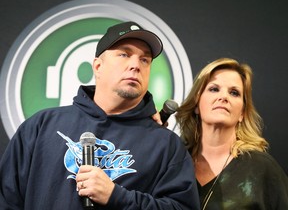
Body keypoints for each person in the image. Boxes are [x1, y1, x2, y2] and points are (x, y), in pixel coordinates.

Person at [0, 21, 200, 210]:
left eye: (145, 59)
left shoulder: (166, 145)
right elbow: (6, 199)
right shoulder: (41, 126)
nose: (136, 65)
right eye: (124, 54)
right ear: (97, 66)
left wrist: (117, 197)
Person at [175, 57, 288, 209]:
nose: (223, 97)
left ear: (242, 112)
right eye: (214, 89)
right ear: (196, 104)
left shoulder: (262, 169)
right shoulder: (174, 162)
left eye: (234, 93)